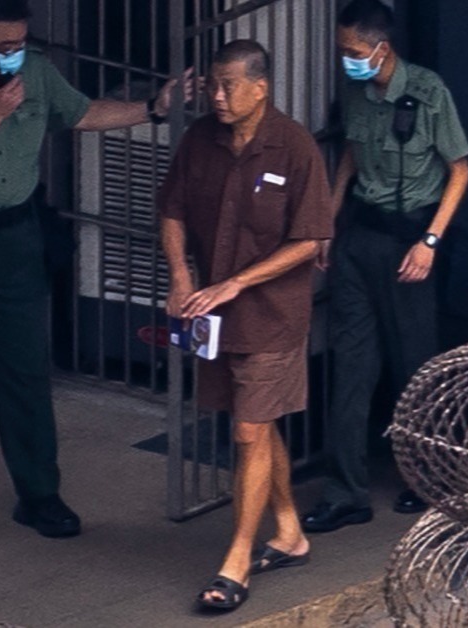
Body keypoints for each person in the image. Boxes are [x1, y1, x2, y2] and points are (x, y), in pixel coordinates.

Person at [0, 0, 191, 540]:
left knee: (26, 368)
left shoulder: (35, 71)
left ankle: (39, 494)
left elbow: (80, 113)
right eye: (3, 46)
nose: (15, 54)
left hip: (17, 233)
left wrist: (153, 108)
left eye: (20, 43)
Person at [158, 40, 333, 611]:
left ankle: (236, 562)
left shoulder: (295, 147)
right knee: (253, 421)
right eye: (212, 84)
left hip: (274, 315)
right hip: (213, 312)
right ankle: (290, 532)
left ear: (261, 89)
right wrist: (181, 277)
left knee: (248, 432)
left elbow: (310, 239)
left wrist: (238, 282)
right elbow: (172, 210)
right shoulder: (199, 139)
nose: (217, 96)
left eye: (228, 85)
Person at [300, 0, 468, 534]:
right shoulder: (357, 92)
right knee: (351, 368)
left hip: (409, 242)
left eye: (354, 51)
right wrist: (329, 221)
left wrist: (430, 242)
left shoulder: (427, 91)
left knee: (414, 368)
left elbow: (460, 170)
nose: (347, 60)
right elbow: (352, 155)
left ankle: (426, 480)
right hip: (360, 238)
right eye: (343, 51)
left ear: (382, 48)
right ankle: (345, 493)